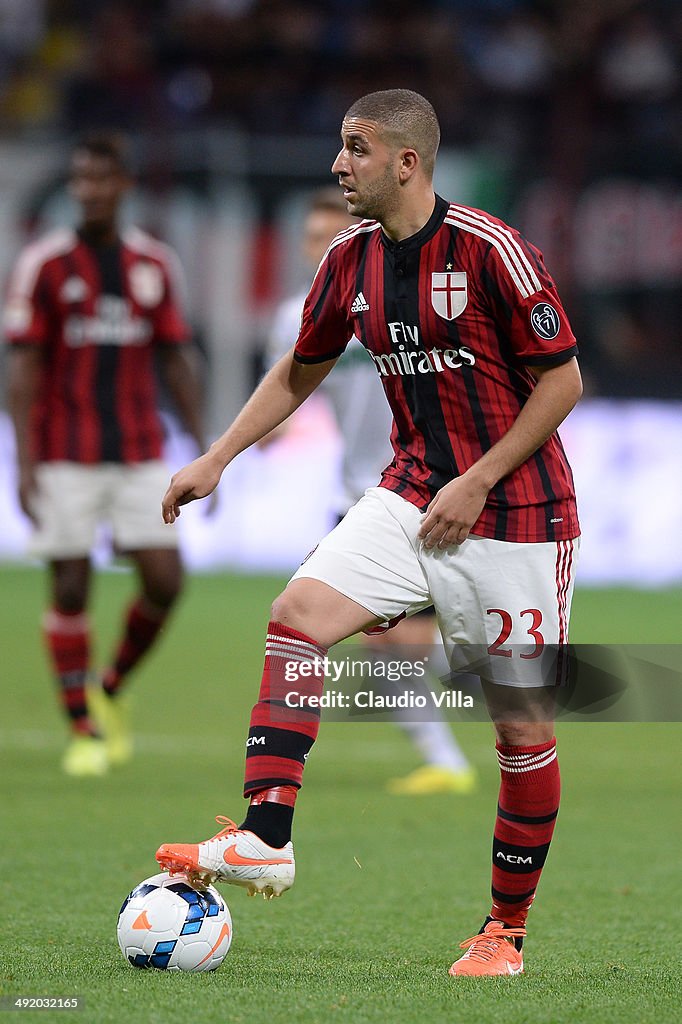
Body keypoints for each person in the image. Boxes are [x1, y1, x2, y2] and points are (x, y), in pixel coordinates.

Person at [155, 90, 582, 977]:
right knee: (299, 611)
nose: (338, 165)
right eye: (339, 147)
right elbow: (299, 368)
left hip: (518, 516)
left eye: (355, 149)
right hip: (410, 493)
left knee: (521, 732)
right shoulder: (349, 259)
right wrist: (219, 456)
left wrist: (480, 477)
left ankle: (505, 930)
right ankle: (268, 836)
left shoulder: (492, 250)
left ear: (406, 162)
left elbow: (562, 381)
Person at [4, 134, 206, 777]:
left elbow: (175, 356)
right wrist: (25, 463)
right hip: (66, 448)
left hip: (140, 446)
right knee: (69, 582)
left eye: (100, 179)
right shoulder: (45, 264)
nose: (88, 190)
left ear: (123, 185)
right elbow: (25, 368)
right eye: (80, 180)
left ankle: (110, 684)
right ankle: (83, 728)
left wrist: (207, 448)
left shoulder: (153, 264)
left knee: (165, 580)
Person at [265, 187, 476, 795]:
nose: (321, 247)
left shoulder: (407, 296)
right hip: (361, 498)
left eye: (330, 234)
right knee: (388, 647)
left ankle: (473, 722)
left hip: (433, 490)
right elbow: (288, 392)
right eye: (311, 237)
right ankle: (448, 760)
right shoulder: (300, 314)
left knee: (404, 650)